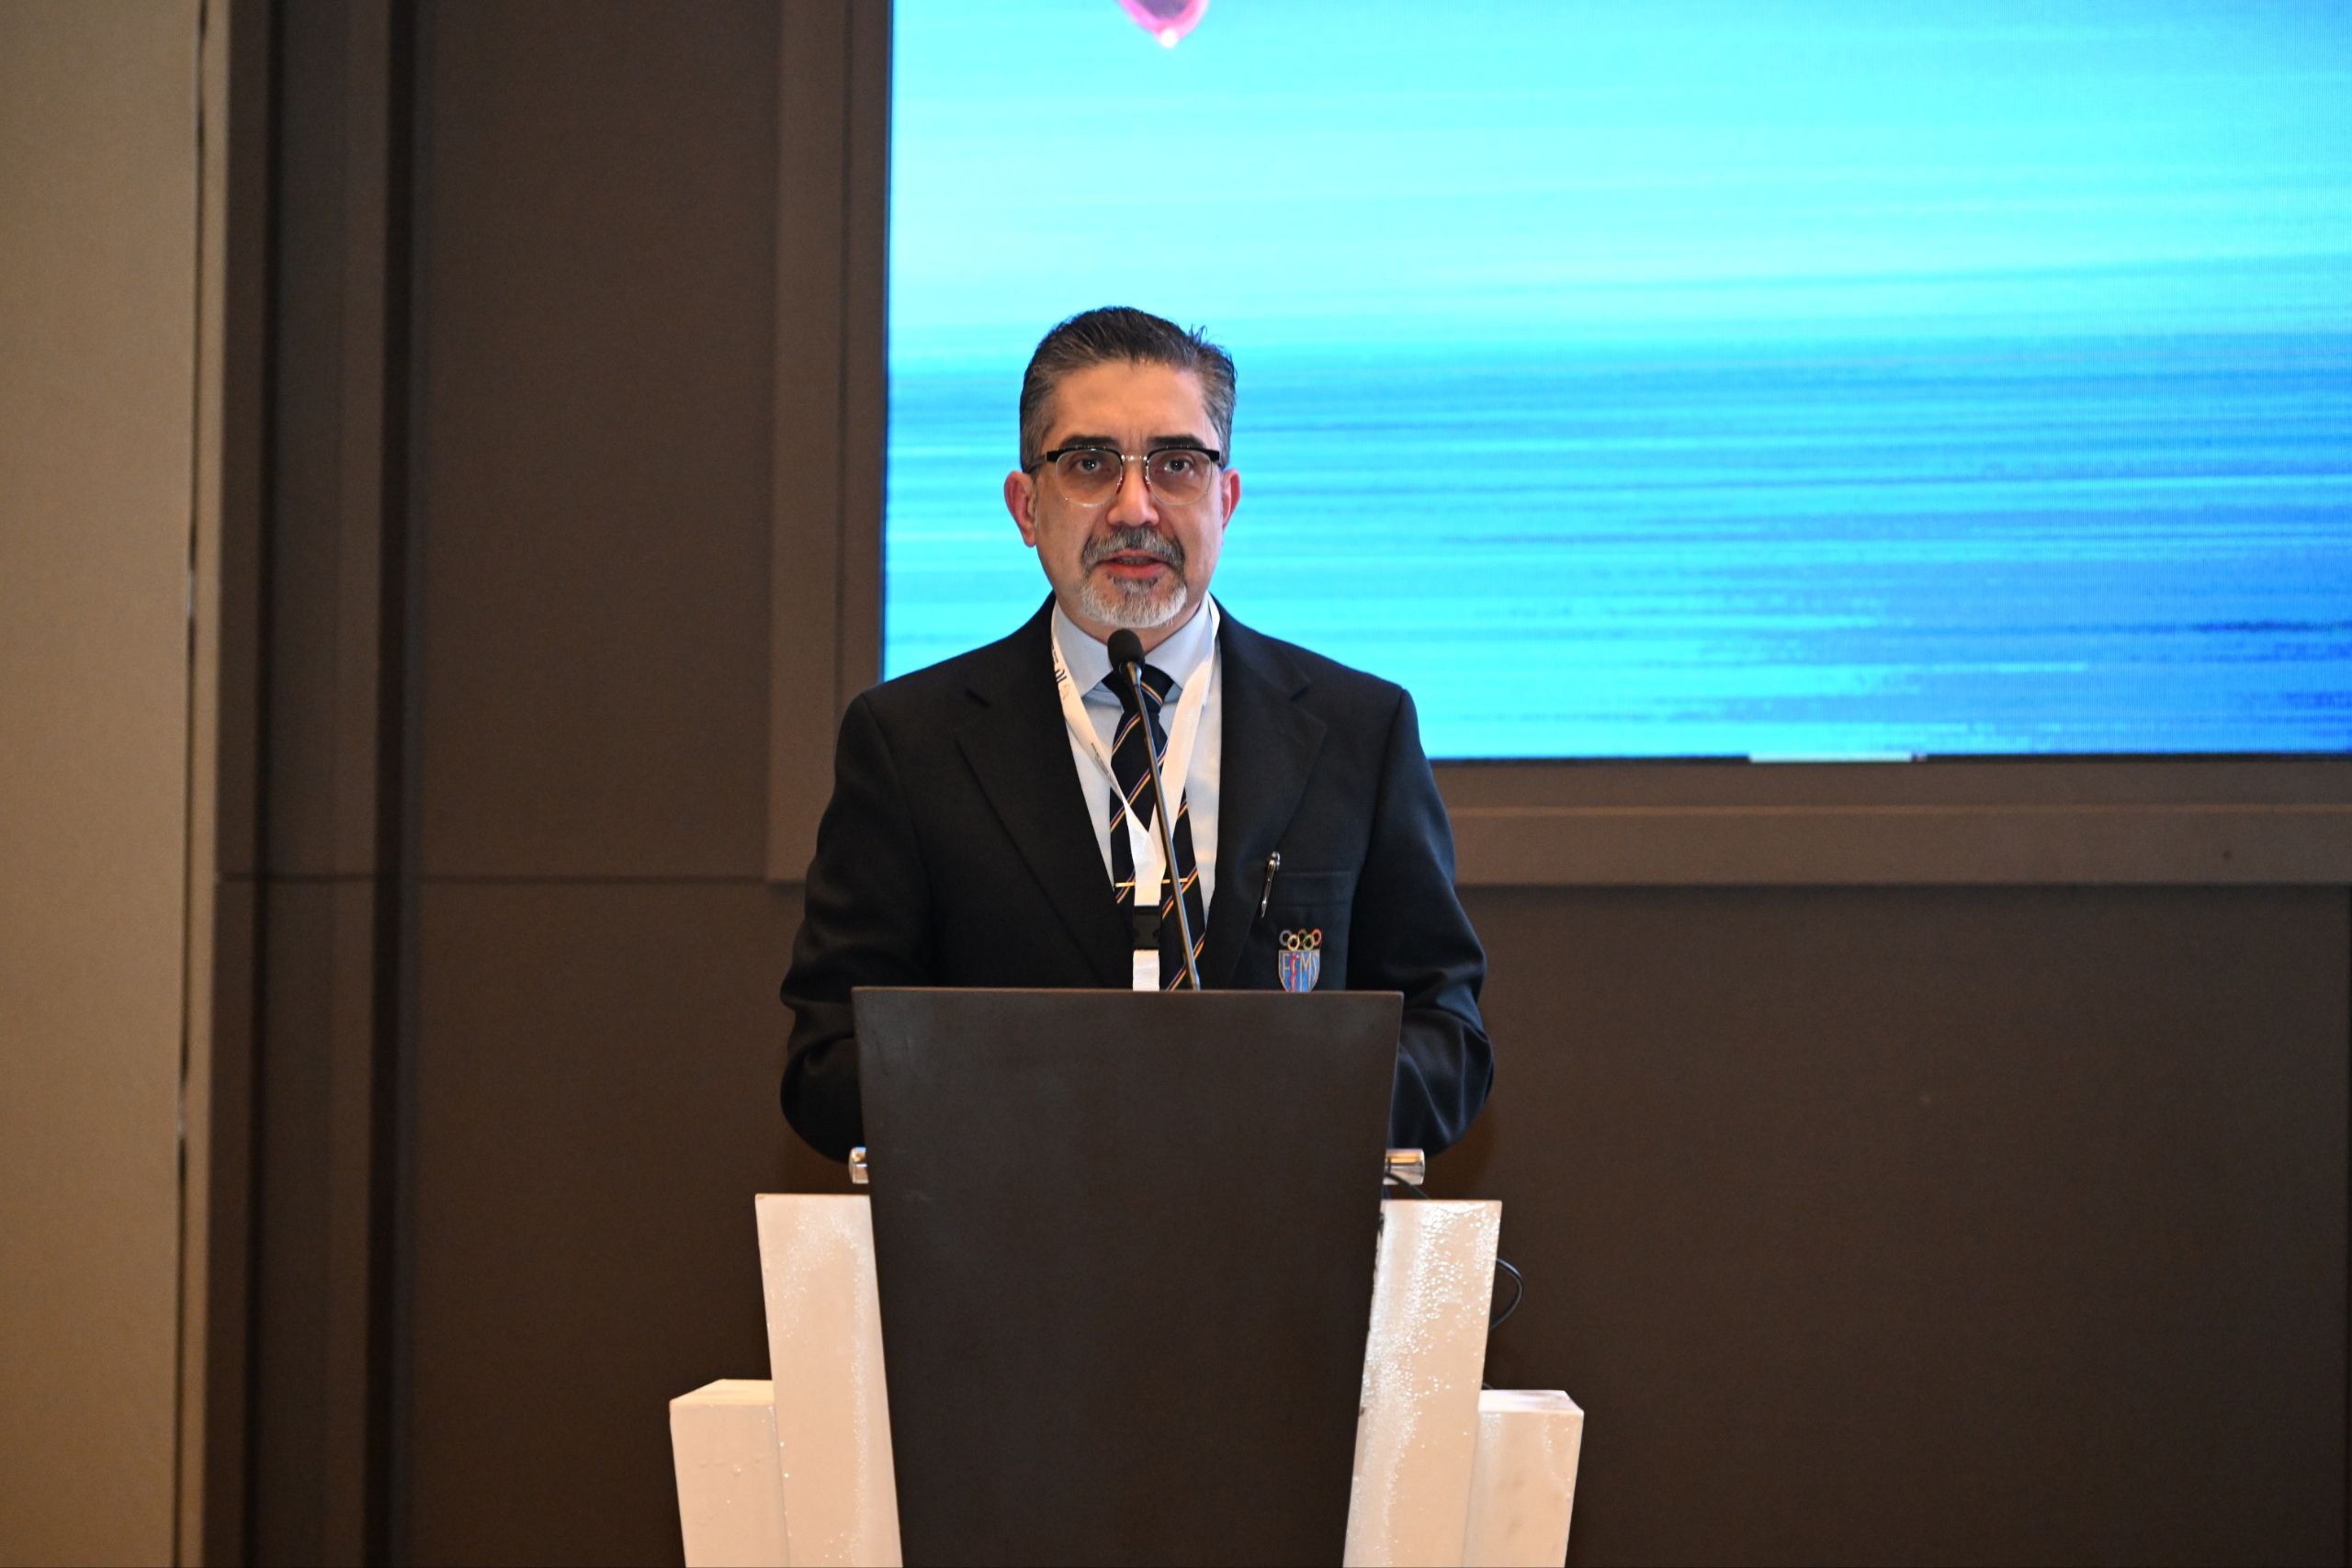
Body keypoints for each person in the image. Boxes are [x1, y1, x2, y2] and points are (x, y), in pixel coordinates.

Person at [780, 307, 1493, 1162]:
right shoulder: (909, 744)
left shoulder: (1359, 731)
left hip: (1281, 1228)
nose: (1135, 507)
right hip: (1013, 1232)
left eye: (1176, 464)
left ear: (1226, 499)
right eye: (1090, 464)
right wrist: (1079, 1107)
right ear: (1025, 506)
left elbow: (1447, 1041)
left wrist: (1272, 1108)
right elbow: (829, 1063)